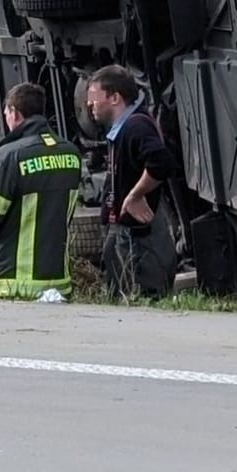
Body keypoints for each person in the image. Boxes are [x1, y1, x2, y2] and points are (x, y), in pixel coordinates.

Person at [0, 82, 84, 300]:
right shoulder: (71, 153)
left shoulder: (9, 155)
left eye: (6, 113)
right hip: (59, 280)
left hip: (15, 280)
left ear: (14, 112)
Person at [83, 65, 179, 298]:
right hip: (128, 236)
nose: (89, 105)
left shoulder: (137, 126)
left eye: (94, 98)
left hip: (141, 241)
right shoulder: (122, 129)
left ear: (115, 98)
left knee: (145, 298)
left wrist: (136, 194)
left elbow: (161, 162)